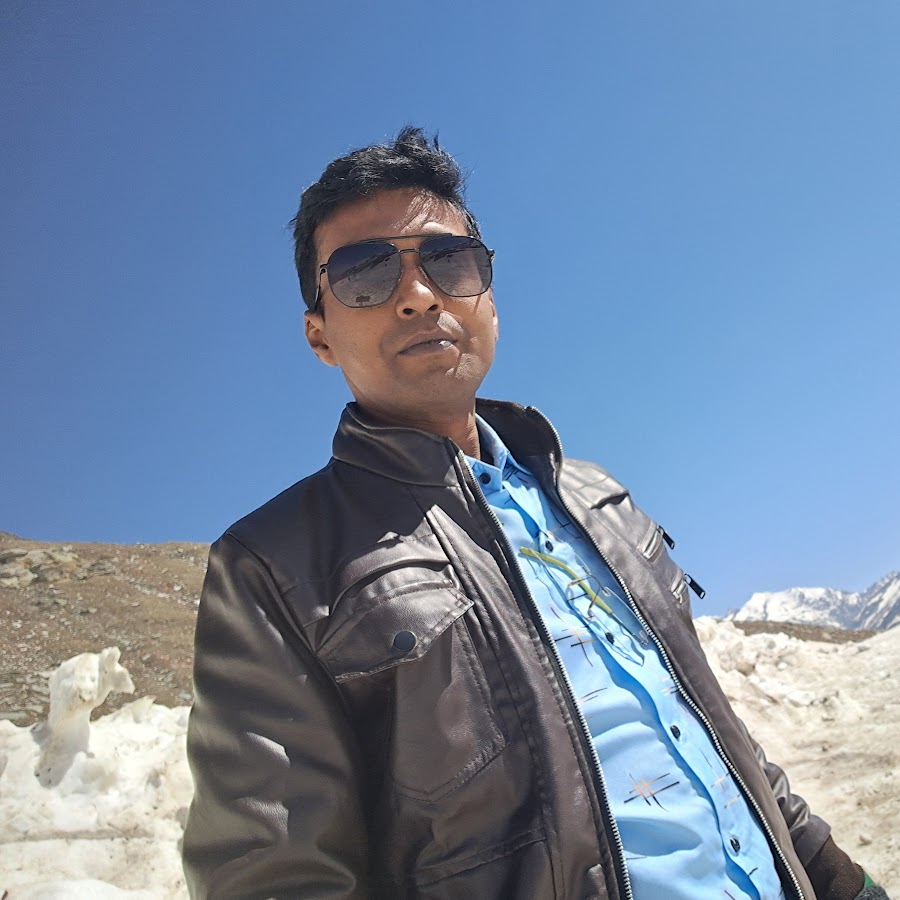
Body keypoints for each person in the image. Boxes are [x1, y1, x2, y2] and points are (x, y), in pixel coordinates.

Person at [182, 127, 889, 900]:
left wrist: (840, 880)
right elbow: (272, 874)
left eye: (448, 261)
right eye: (364, 274)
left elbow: (708, 730)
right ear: (319, 334)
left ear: (488, 295)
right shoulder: (275, 568)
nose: (418, 295)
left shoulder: (597, 498)